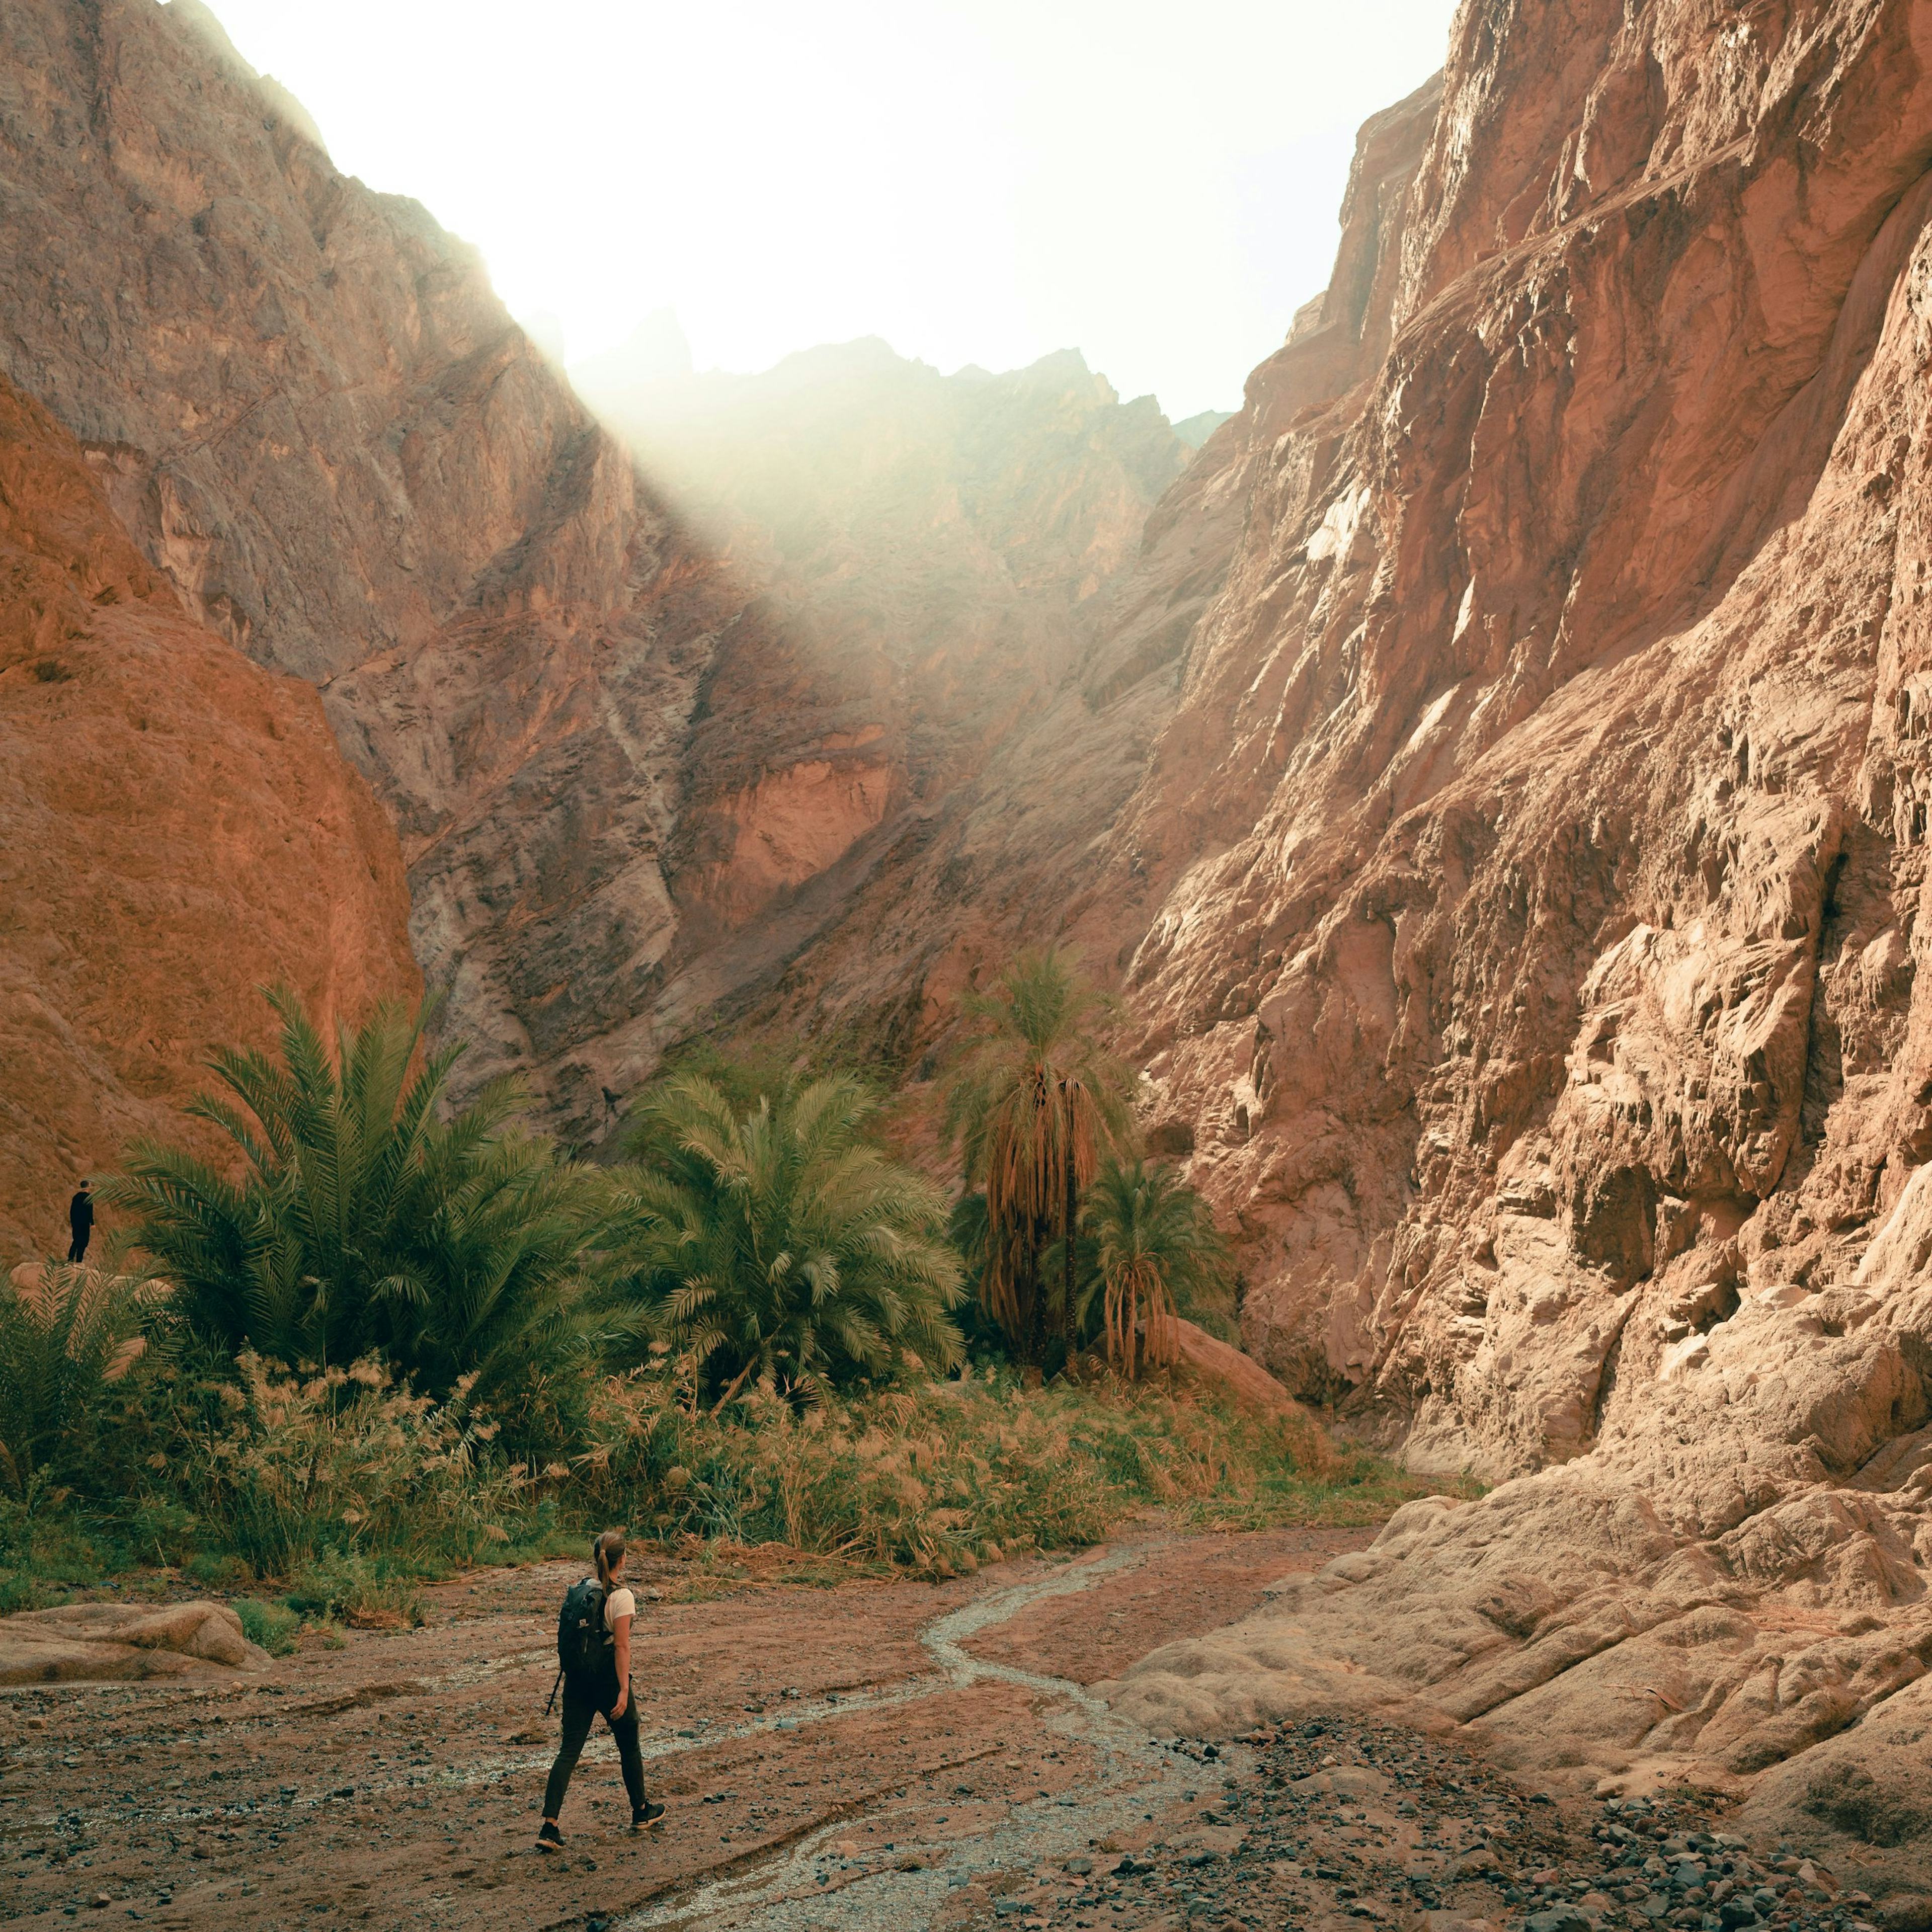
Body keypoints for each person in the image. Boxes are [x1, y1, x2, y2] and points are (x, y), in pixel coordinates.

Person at [538, 1528, 664, 1849]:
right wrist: (624, 1691)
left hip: (576, 1679)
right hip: (607, 1680)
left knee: (568, 1752)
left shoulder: (581, 1591)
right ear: (623, 1559)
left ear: (597, 1558)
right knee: (628, 1744)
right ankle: (641, 1811)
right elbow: (622, 1647)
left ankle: (549, 1827)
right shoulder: (623, 1597)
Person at [67, 1181, 93, 1264]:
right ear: (88, 1187)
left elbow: (72, 1211)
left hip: (76, 1223)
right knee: (84, 1242)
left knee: (76, 1241)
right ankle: (79, 1261)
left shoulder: (76, 1197)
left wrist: (73, 1222)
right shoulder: (89, 1197)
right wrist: (92, 1223)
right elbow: (90, 1211)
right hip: (84, 1223)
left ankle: (70, 1259)